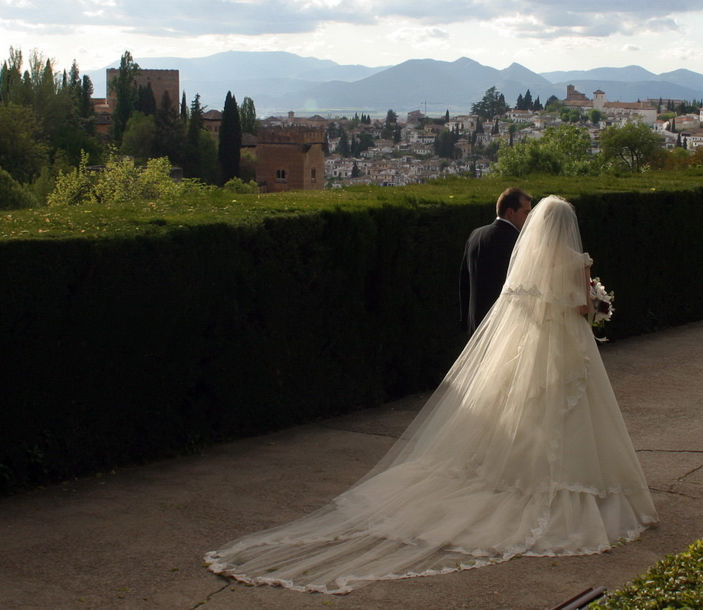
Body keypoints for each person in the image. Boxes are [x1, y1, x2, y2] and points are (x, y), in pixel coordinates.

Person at [204, 196, 658, 594]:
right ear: (568, 226)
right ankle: (570, 486)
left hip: (535, 346)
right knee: (572, 412)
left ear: (538, 222)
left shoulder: (530, 257)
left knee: (526, 408)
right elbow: (581, 308)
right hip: (569, 348)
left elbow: (521, 305)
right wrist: (596, 303)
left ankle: (513, 473)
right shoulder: (579, 261)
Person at [460, 187, 533, 335]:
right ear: (511, 213)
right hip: (503, 325)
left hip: (475, 321)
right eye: (526, 213)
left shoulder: (476, 235)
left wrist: (466, 320)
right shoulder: (517, 242)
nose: (530, 218)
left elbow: (464, 281)